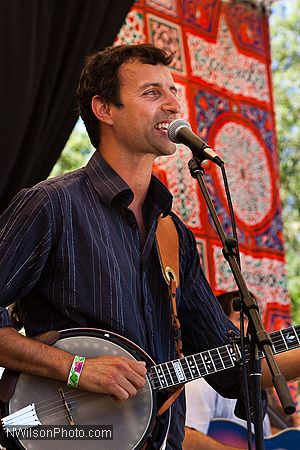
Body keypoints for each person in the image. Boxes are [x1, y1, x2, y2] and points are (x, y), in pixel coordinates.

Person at [0, 44, 299, 450]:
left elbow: (230, 367)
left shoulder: (173, 234)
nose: (174, 105)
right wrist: (76, 369)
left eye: (173, 92)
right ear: (104, 109)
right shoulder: (52, 206)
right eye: (152, 93)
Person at [183, 291, 272, 449]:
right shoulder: (201, 382)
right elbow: (186, 439)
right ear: (220, 328)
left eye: (255, 319)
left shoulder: (257, 384)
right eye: (242, 319)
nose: (252, 326)